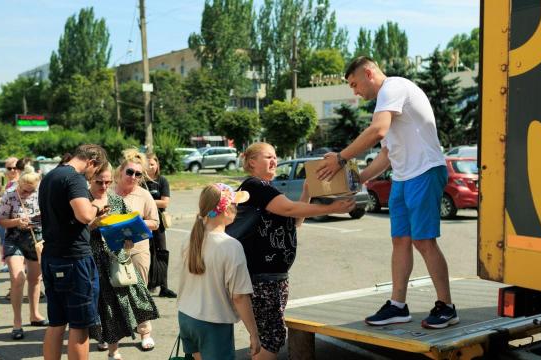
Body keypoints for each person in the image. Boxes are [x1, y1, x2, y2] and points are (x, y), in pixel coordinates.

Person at [316, 56, 458, 329]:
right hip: (404, 177)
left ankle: (447, 307)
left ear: (369, 73)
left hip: (425, 171)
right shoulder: (386, 102)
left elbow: (377, 131)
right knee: (400, 241)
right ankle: (398, 306)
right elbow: (388, 153)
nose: (355, 92)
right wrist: (356, 181)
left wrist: (341, 158)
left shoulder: (394, 88)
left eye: (355, 84)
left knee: (423, 241)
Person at [237, 142, 354, 359]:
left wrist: (307, 192)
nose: (274, 160)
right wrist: (331, 208)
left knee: (268, 335)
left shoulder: (267, 188)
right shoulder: (255, 186)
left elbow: (295, 220)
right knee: (272, 336)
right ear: (252, 162)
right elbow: (289, 209)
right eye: (268, 157)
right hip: (263, 278)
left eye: (275, 156)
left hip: (274, 277)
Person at [39, 144, 108, 360]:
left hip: (52, 257)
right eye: (95, 172)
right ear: (91, 162)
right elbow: (85, 216)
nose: (92, 177)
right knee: (80, 326)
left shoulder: (51, 176)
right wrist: (97, 205)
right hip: (74, 260)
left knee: (56, 323)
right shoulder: (74, 178)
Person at [178, 183, 260, 360]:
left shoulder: (189, 238)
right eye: (235, 205)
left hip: (186, 316)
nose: (238, 209)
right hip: (212, 322)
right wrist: (253, 333)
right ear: (227, 210)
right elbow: (239, 296)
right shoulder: (231, 246)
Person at [88, 163, 159, 360]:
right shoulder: (83, 200)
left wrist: (129, 240)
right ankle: (112, 349)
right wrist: (93, 223)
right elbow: (76, 233)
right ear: (90, 180)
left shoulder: (117, 200)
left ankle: (140, 335)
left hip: (118, 258)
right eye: (99, 182)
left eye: (107, 182)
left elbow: (131, 225)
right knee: (105, 305)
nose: (104, 186)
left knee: (131, 299)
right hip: (94, 262)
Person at [113, 149, 159, 351]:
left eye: (138, 174)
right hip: (112, 251)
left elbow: (155, 223)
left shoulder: (144, 195)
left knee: (140, 290)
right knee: (113, 291)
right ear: (121, 172)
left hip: (138, 249)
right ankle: (112, 334)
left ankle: (145, 332)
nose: (133, 177)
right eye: (130, 172)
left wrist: (135, 223)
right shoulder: (108, 192)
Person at [0, 167, 47, 340]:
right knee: (18, 278)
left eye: (32, 190)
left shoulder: (41, 193)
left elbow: (48, 216)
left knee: (35, 279)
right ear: (20, 184)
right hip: (14, 239)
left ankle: (34, 315)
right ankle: (17, 322)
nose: (28, 193)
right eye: (25, 189)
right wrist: (17, 221)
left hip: (36, 239)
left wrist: (39, 219)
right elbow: (1, 220)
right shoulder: (10, 194)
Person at [144, 153, 176, 298]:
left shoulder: (162, 181)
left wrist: (147, 200)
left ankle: (164, 287)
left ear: (157, 165)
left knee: (162, 252)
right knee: (146, 253)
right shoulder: (140, 181)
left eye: (152, 164)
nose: (150, 167)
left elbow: (165, 202)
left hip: (159, 222)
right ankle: (147, 285)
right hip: (144, 222)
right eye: (147, 164)